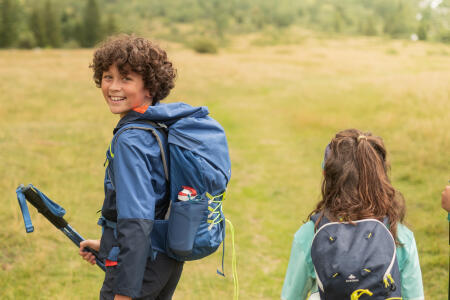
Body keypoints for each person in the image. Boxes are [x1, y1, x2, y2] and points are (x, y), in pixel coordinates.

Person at [78, 35, 185, 300]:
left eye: (126, 78)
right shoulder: (159, 125)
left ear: (150, 86)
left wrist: (125, 292)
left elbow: (137, 220)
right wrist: (106, 243)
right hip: (164, 260)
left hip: (138, 271)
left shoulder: (130, 140)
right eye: (107, 76)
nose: (113, 87)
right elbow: (156, 201)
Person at [281, 129, 424, 300]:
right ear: (380, 178)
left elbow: (291, 296)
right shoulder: (399, 235)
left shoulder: (309, 234)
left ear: (326, 175)